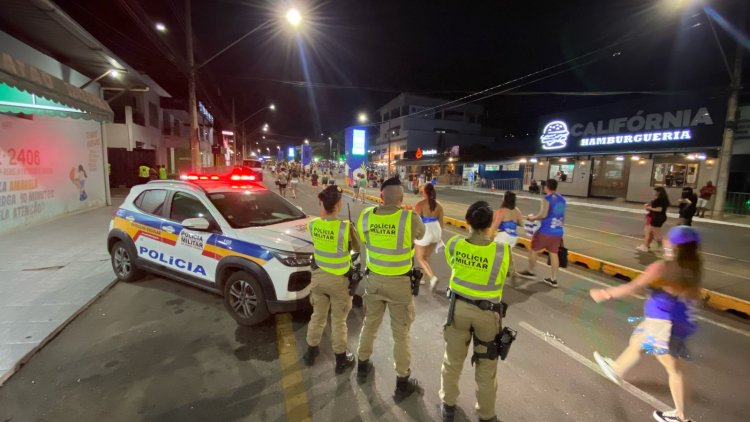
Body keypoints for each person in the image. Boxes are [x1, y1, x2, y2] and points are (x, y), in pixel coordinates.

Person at [590, 226, 702, 422]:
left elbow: (633, 287)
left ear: (674, 245)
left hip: (662, 324)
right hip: (672, 319)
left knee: (673, 368)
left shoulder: (663, 267)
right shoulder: (692, 268)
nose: (665, 240)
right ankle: (617, 369)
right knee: (638, 341)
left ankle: (680, 416)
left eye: (668, 239)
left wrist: (605, 293)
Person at [356, 177, 426, 401]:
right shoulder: (409, 217)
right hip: (399, 285)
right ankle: (402, 382)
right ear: (402, 198)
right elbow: (422, 235)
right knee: (401, 335)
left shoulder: (366, 217)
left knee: (369, 326)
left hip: (374, 281)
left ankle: (362, 365)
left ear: (381, 195)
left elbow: (362, 240)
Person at [440, 201, 510, 422]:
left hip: (457, 311)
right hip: (487, 316)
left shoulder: (454, 244)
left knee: (452, 361)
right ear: (490, 224)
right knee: (486, 369)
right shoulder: (502, 251)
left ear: (467, 222)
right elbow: (507, 274)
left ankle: (448, 405)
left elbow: (454, 265)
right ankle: (486, 415)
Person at [303, 185, 360, 374]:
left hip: (317, 280)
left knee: (317, 316)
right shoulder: (345, 226)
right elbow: (357, 248)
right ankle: (341, 360)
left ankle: (310, 353)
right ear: (338, 204)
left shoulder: (313, 224)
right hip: (339, 282)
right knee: (338, 321)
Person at [517, 178, 566, 287]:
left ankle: (530, 271)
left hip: (545, 230)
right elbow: (562, 216)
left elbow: (543, 215)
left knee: (534, 249)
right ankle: (553, 279)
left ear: (547, 187)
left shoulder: (547, 199)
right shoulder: (562, 199)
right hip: (558, 230)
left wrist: (532, 218)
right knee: (553, 253)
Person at [414, 183, 444, 290]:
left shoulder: (420, 204)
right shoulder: (439, 205)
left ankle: (432, 278)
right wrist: (439, 238)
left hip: (425, 230)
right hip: (436, 231)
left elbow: (416, 221)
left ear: (425, 193)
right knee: (426, 256)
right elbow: (441, 223)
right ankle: (422, 278)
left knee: (420, 257)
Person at [493, 191, 523, 283]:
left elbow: (495, 226)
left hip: (503, 236)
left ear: (505, 199)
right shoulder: (517, 210)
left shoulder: (501, 211)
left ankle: (497, 273)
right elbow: (521, 223)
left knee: (496, 254)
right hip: (513, 237)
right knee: (508, 253)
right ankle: (512, 271)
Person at [637, 187, 670, 253]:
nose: (653, 193)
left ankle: (647, 247)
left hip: (657, 217)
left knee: (653, 233)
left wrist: (648, 207)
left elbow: (659, 209)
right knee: (653, 233)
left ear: (658, 192)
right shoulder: (663, 199)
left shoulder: (660, 200)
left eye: (655, 191)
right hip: (659, 217)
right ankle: (647, 246)